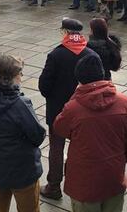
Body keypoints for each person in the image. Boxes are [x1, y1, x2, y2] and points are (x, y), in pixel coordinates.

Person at [54, 55, 127, 212]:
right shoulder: (125, 103)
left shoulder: (73, 108)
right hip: (113, 176)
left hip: (84, 181)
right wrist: (121, 157)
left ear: (79, 79)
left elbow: (59, 128)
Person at [0, 54, 46, 212]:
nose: (21, 77)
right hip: (22, 172)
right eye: (19, 73)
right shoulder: (19, 104)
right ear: (9, 78)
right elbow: (38, 136)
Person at [38, 18, 98, 199]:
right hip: (85, 110)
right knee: (83, 148)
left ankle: (54, 186)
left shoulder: (56, 55)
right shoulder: (91, 54)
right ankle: (83, 185)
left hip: (59, 111)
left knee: (56, 148)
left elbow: (44, 86)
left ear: (65, 32)